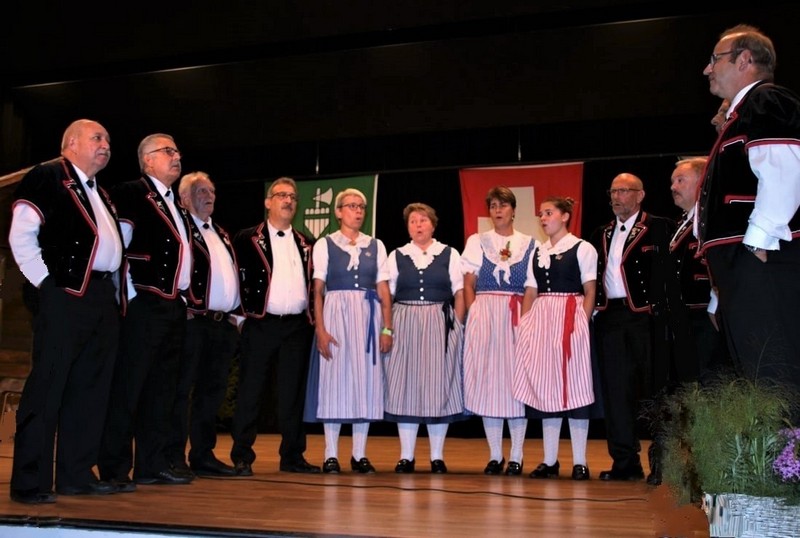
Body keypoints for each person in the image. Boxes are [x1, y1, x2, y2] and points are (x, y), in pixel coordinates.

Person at [8, 119, 123, 503]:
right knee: (48, 386)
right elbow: (22, 233)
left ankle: (76, 475)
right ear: (71, 143)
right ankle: (30, 481)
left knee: (90, 389)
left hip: (101, 297)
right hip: (65, 293)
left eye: (108, 139)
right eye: (97, 138)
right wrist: (45, 284)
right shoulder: (48, 176)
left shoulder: (100, 192)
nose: (105, 144)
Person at [696, 24, 800, 399]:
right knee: (758, 373)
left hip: (761, 260)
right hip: (745, 264)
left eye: (714, 59)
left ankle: (787, 440)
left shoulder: (766, 100)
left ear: (744, 60)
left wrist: (757, 244)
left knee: (775, 371)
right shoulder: (743, 113)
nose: (707, 69)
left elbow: (785, 172)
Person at [99, 133, 194, 488]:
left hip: (172, 306)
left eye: (177, 150)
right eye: (168, 151)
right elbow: (117, 249)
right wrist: (129, 298)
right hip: (143, 303)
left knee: (162, 391)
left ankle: (151, 466)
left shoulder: (177, 205)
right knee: (129, 388)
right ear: (147, 159)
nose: (176, 155)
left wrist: (184, 300)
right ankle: (114, 468)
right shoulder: (131, 193)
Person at [589, 173, 678, 482]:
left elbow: (671, 271)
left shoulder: (659, 226)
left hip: (646, 317)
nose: (617, 197)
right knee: (616, 392)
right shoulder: (601, 232)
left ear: (640, 195)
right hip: (610, 317)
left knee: (655, 391)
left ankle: (662, 464)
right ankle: (625, 462)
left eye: (624, 191)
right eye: (613, 191)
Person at [230, 177, 320, 475]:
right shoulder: (247, 238)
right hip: (261, 323)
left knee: (292, 394)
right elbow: (235, 276)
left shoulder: (306, 242)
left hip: (296, 327)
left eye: (293, 196)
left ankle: (292, 456)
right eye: (282, 195)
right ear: (268, 202)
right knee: (251, 390)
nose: (288, 200)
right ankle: (242, 456)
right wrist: (240, 317)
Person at [304, 188, 393, 474]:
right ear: (339, 211)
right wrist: (320, 329)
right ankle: (330, 454)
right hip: (336, 314)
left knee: (365, 383)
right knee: (335, 381)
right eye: (352, 206)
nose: (357, 211)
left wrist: (387, 328)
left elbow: (383, 288)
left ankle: (359, 454)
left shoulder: (376, 245)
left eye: (361, 207)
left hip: (367, 316)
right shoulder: (325, 244)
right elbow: (318, 290)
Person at [512, 196, 599, 481]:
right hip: (542, 321)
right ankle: (550, 460)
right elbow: (530, 291)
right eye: (541, 214)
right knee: (546, 386)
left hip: (570, 317)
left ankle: (580, 461)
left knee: (575, 387)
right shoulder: (538, 251)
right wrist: (525, 325)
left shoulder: (582, 248)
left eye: (548, 213)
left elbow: (590, 290)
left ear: (564, 216)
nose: (543, 218)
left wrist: (581, 323)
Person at [165, 171, 240, 478]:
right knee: (181, 390)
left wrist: (237, 315)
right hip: (193, 321)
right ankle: (173, 456)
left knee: (212, 392)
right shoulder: (180, 228)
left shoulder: (220, 232)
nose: (209, 196)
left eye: (212, 191)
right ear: (184, 198)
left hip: (222, 325)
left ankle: (203, 455)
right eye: (201, 192)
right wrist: (181, 306)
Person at [384, 203, 466, 474]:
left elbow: (460, 292)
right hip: (405, 321)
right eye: (413, 221)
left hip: (439, 322)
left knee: (437, 385)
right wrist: (388, 327)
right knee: (405, 385)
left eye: (423, 220)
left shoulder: (449, 253)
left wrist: (458, 325)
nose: (418, 225)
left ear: (433, 224)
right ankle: (406, 456)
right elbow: (387, 294)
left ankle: (436, 456)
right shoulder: (397, 255)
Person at [461, 186, 535, 476]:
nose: (498, 210)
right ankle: (495, 455)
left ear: (513, 210)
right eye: (493, 206)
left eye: (503, 205)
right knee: (489, 384)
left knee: (515, 386)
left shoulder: (530, 244)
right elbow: (468, 283)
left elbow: (532, 287)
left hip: (516, 314)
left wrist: (526, 322)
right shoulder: (477, 241)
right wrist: (475, 313)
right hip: (486, 315)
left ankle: (516, 455)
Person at [668, 157, 730, 382]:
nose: (673, 187)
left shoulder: (710, 217)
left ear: (702, 181)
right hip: (684, 316)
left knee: (710, 377)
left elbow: (719, 265)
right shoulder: (682, 222)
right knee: (688, 379)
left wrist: (715, 303)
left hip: (705, 313)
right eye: (673, 182)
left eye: (680, 180)